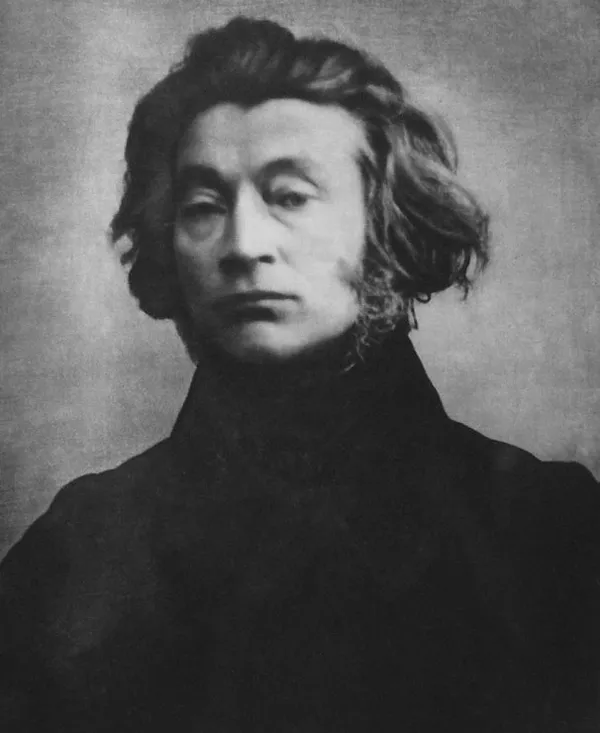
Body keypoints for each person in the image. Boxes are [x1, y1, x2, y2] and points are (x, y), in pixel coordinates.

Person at [1, 15, 599, 732]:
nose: (243, 244)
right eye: (203, 207)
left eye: (289, 196)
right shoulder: (84, 547)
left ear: (385, 226)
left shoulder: (547, 531)